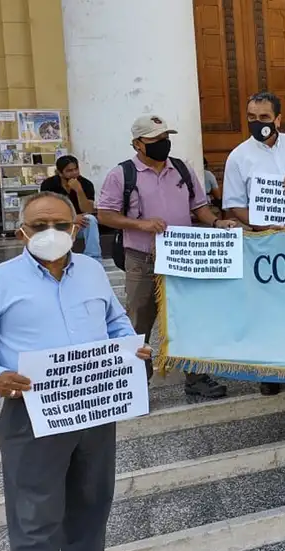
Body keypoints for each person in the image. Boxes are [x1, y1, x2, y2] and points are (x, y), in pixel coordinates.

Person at [0, 192, 151, 551]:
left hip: (95, 409)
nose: (50, 233)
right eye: (39, 226)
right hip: (31, 413)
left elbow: (115, 320)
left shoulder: (90, 270)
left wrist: (131, 347)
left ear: (75, 228)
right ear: (21, 233)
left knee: (91, 505)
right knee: (35, 516)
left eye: (60, 225)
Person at [97, 114, 240, 399]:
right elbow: (105, 214)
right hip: (142, 258)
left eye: (165, 138)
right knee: (139, 321)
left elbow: (199, 206)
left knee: (187, 318)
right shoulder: (122, 175)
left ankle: (196, 376)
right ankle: (136, 383)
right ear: (138, 144)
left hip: (182, 257)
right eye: (156, 140)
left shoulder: (182, 170)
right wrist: (141, 224)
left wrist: (215, 223)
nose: (164, 144)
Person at [223, 91, 285, 239]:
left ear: (277, 120)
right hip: (267, 237)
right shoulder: (237, 157)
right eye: (252, 117)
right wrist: (266, 228)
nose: (257, 122)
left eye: (264, 117)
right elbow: (236, 205)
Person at [40, 155, 102, 262]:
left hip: (79, 226)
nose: (74, 173)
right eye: (69, 171)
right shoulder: (48, 185)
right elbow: (46, 211)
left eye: (76, 169)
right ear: (60, 173)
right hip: (58, 224)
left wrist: (79, 191)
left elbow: (88, 209)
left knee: (90, 219)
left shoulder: (86, 184)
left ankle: (93, 259)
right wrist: (71, 218)